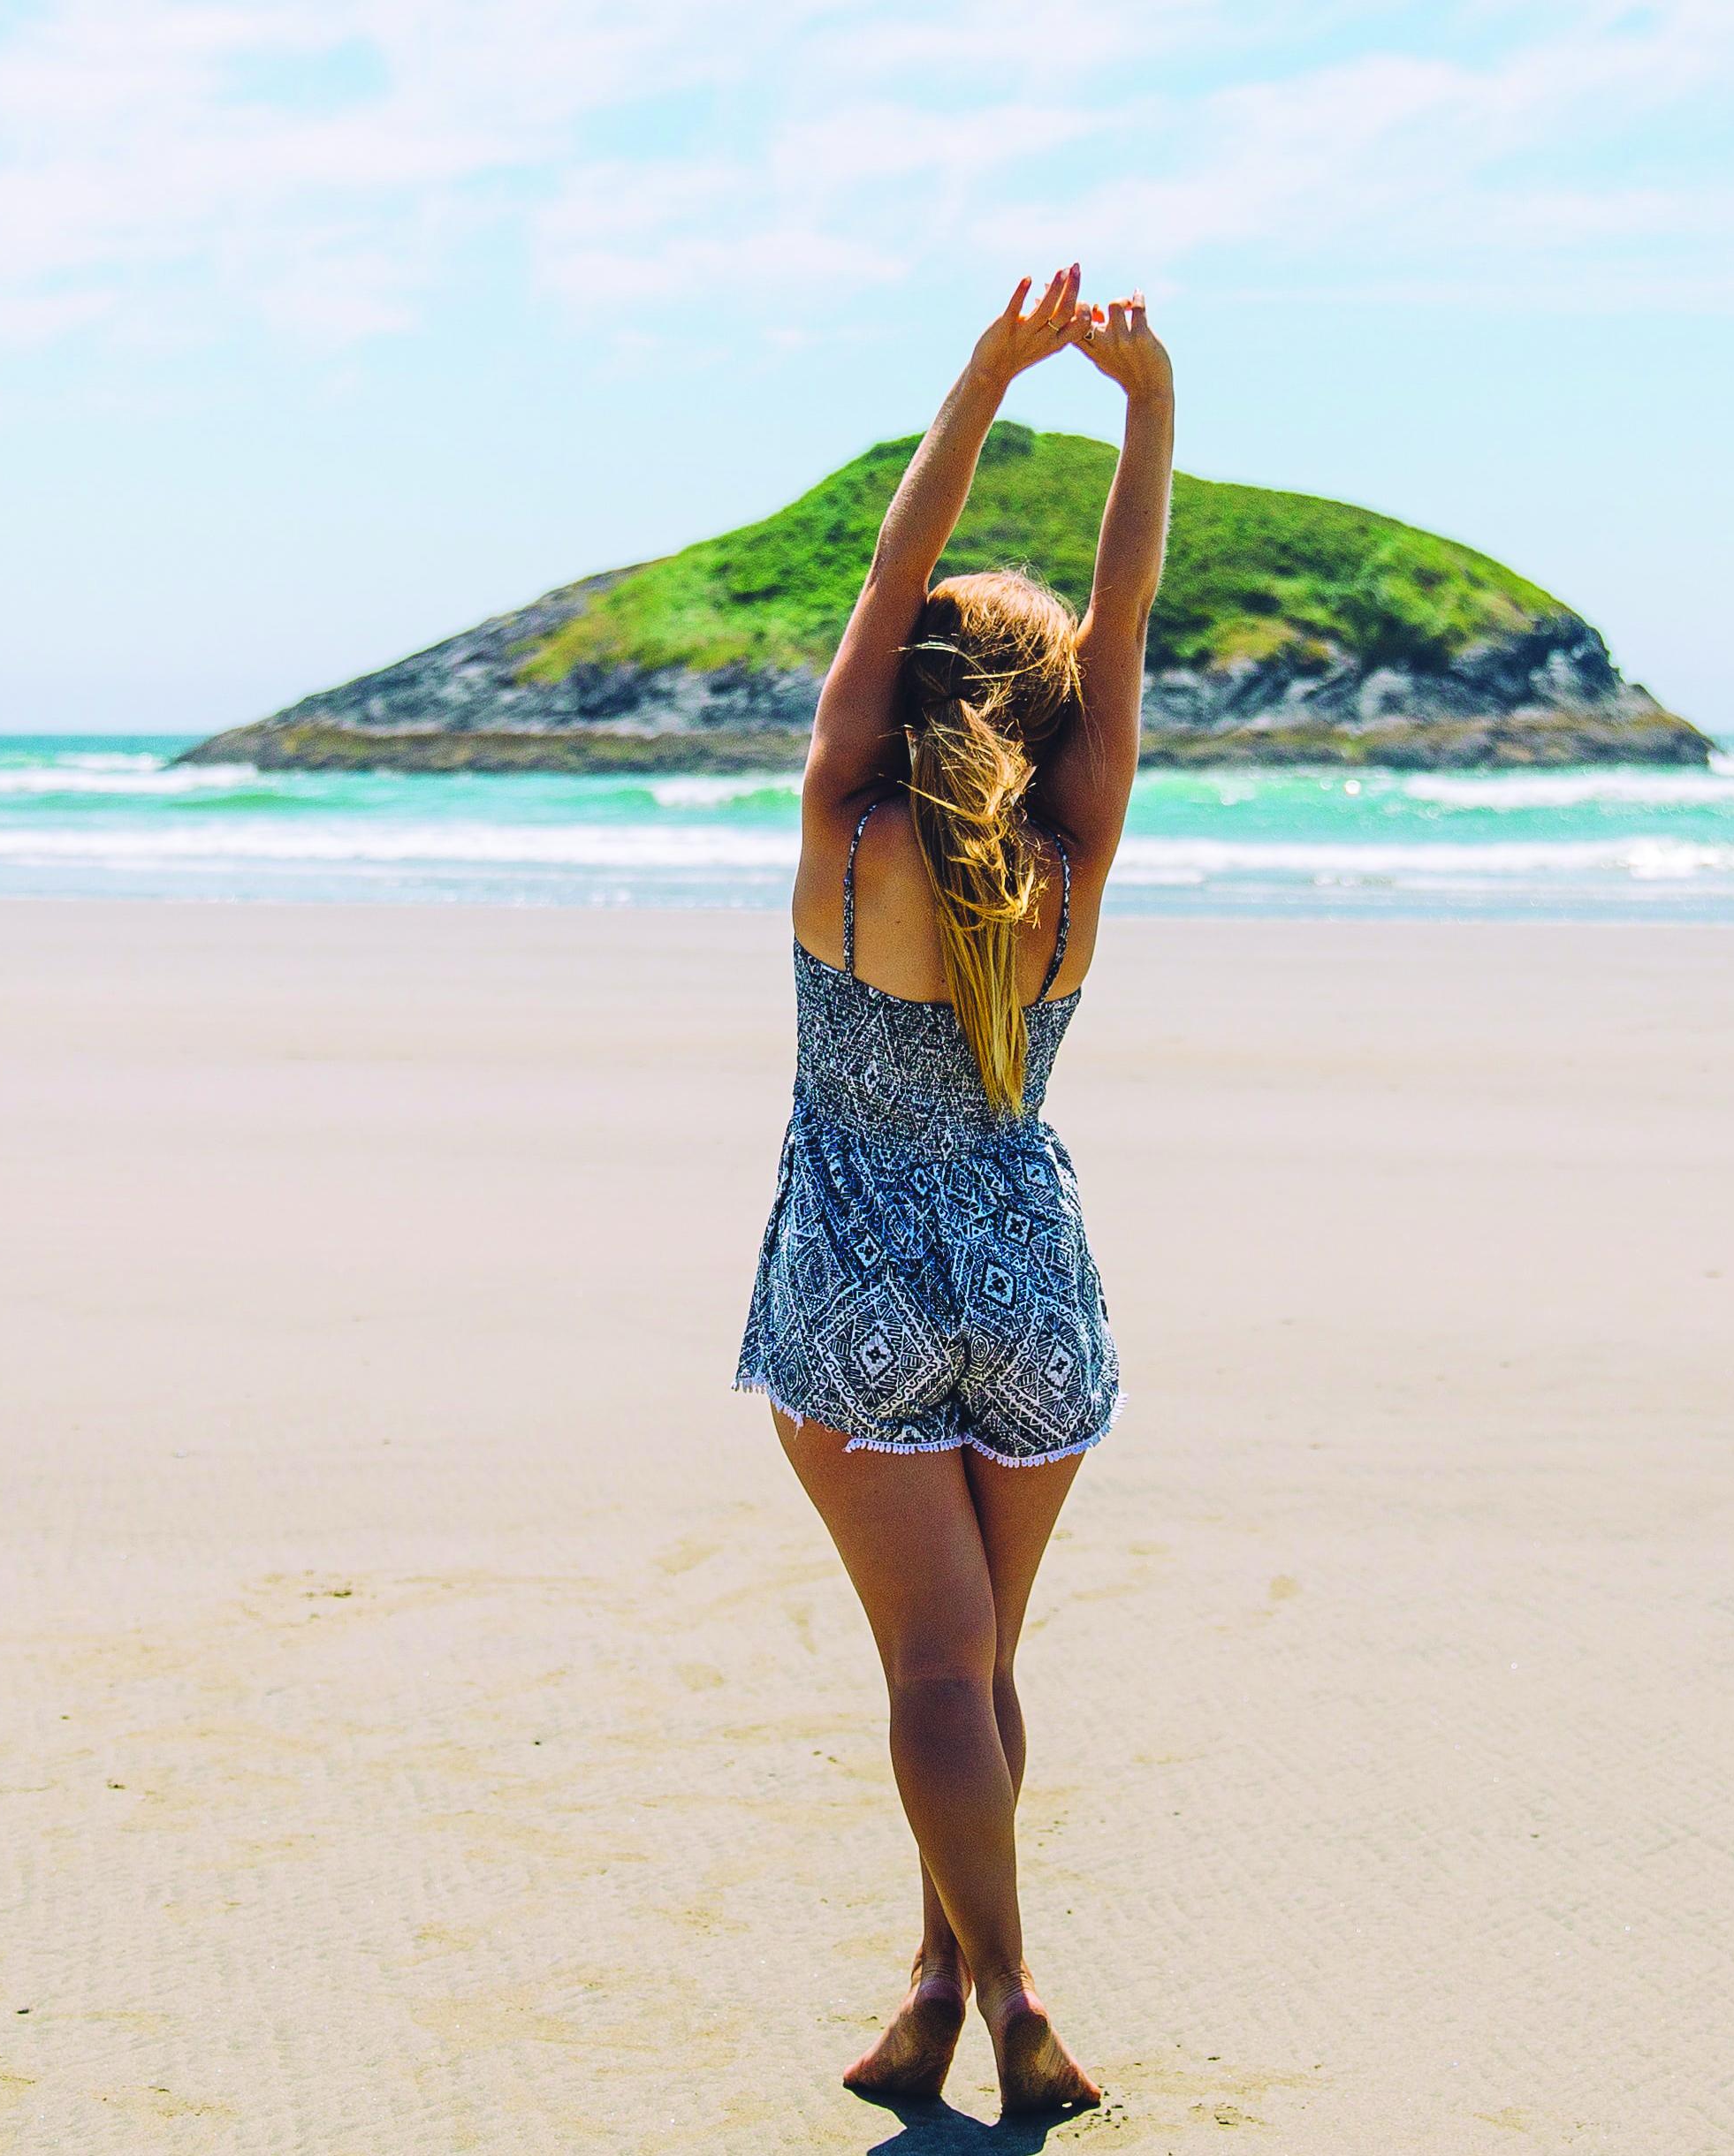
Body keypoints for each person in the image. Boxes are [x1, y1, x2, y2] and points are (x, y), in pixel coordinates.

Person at [733, 263, 1169, 2118]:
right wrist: (1151, 409)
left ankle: (1006, 1992)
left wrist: (984, 381)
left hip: (857, 1276)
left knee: (930, 1665)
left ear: (906, 686)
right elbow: (1126, 617)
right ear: (1056, 709)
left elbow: (879, 589)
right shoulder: (1074, 846)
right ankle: (930, 1980)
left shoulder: (848, 823)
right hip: (1030, 1275)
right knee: (981, 1663)